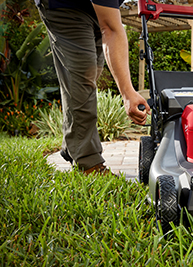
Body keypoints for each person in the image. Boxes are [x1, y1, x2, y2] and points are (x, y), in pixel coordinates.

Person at [35, 0, 150, 175]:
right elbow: (111, 29)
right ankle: (88, 164)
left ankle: (73, 145)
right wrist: (128, 94)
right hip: (64, 5)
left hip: (94, 7)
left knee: (90, 72)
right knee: (83, 76)